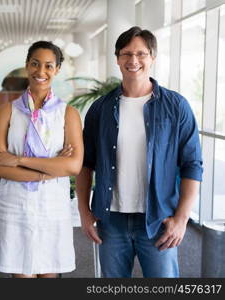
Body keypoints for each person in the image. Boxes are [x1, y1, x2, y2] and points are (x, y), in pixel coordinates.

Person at [76, 26, 203, 278]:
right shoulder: (100, 109)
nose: (133, 60)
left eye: (141, 53)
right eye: (126, 53)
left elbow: (192, 165)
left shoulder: (176, 106)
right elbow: (85, 164)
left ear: (152, 57)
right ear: (117, 58)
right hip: (111, 221)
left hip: (158, 220)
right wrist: (84, 212)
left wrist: (182, 218)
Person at [0, 41, 83, 278]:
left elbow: (72, 165)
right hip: (16, 205)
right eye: (35, 64)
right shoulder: (7, 111)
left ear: (57, 69)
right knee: (21, 277)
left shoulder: (68, 113)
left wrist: (18, 159)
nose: (41, 72)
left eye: (49, 66)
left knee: (49, 277)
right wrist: (49, 171)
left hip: (52, 206)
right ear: (27, 66)